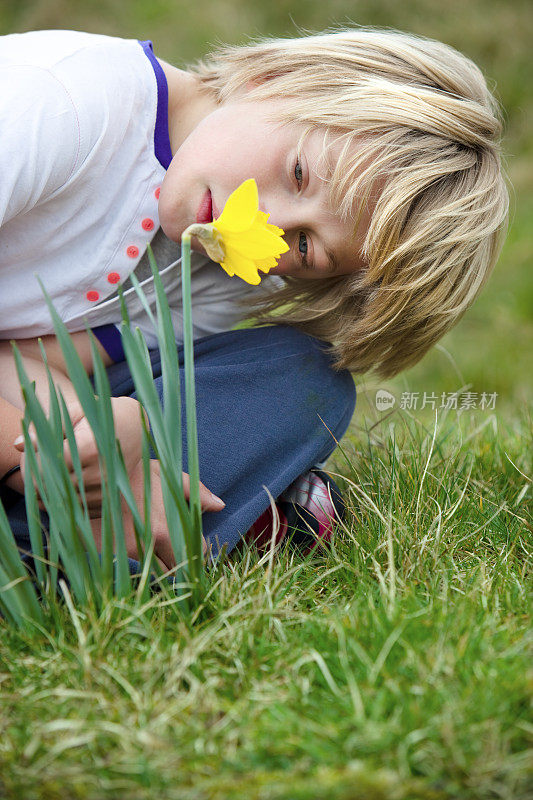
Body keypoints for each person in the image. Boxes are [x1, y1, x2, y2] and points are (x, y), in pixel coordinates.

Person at [0, 27, 509, 581]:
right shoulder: (65, 104)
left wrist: (97, 434)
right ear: (279, 82)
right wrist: (52, 459)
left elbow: (25, 362)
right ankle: (81, 547)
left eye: (308, 245)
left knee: (305, 380)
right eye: (299, 173)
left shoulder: (236, 274)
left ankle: (86, 533)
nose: (268, 223)